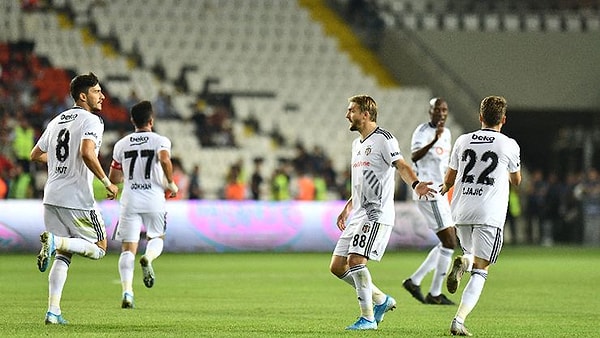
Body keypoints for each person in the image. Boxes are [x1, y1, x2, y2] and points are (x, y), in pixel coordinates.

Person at [329, 95, 435, 330]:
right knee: (337, 266)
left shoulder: (385, 139)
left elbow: (402, 166)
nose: (347, 114)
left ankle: (367, 318)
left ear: (365, 115)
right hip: (357, 213)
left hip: (376, 215)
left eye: (351, 110)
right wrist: (348, 206)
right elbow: (361, 182)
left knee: (356, 261)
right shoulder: (357, 144)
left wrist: (416, 185)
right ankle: (381, 300)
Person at [30, 72, 119, 325]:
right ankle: (57, 241)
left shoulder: (56, 120)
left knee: (63, 255)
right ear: (83, 96)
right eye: (96, 91)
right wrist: (106, 181)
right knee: (100, 249)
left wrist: (61, 163)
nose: (102, 95)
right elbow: (87, 153)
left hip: (51, 197)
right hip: (77, 199)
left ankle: (53, 312)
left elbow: (35, 154)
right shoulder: (92, 120)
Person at [440, 95, 521, 336]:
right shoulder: (509, 144)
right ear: (503, 119)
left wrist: (443, 189)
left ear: (480, 117)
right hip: (489, 212)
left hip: (461, 210)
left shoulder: (463, 140)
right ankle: (459, 320)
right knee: (481, 270)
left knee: (471, 255)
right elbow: (516, 180)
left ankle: (464, 261)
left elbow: (449, 179)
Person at [108, 100, 178, 309]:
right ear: (151, 120)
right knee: (156, 237)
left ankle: (127, 292)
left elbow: (115, 177)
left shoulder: (121, 144)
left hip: (130, 199)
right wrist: (172, 183)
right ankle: (148, 257)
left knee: (127, 248)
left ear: (132, 121)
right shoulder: (160, 140)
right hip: (154, 196)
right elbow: (164, 160)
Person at [402, 98, 457, 305]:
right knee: (450, 242)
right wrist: (434, 139)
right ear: (430, 111)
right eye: (438, 110)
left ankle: (415, 281)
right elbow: (414, 156)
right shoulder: (422, 132)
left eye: (444, 110)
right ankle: (434, 294)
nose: (441, 113)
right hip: (428, 191)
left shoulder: (448, 133)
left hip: (440, 191)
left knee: (448, 241)